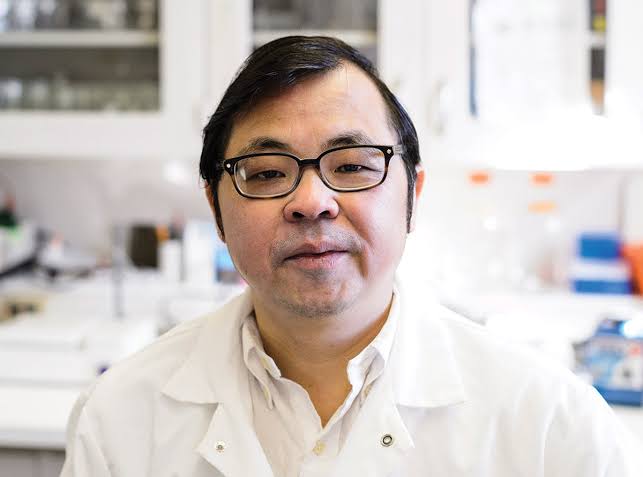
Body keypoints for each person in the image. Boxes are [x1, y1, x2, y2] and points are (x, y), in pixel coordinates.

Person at [61, 36, 641, 476]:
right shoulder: (120, 418)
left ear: (412, 195)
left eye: (354, 166)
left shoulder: (552, 425)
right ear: (215, 207)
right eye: (266, 173)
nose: (311, 202)